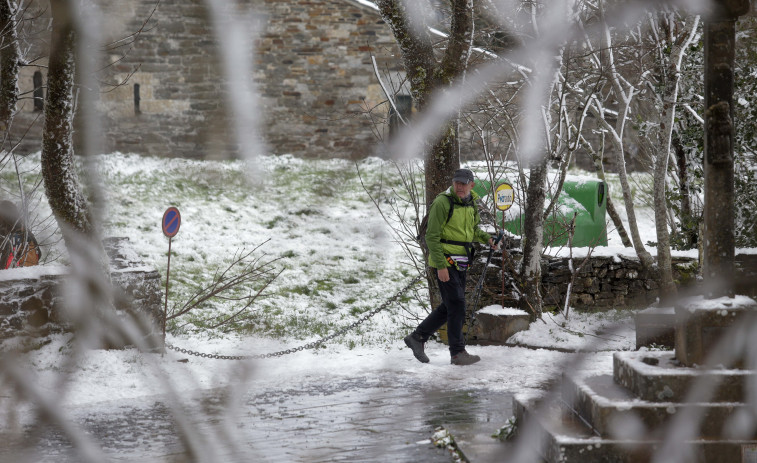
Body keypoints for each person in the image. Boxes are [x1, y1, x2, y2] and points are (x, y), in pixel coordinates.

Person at [404, 168, 496, 366]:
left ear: (472, 185)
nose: (459, 187)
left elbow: (473, 230)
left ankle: (417, 337)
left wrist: (487, 238)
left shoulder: (471, 204)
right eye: (457, 183)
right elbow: (431, 236)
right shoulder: (442, 203)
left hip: (462, 261)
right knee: (457, 305)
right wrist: (441, 266)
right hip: (445, 261)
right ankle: (457, 352)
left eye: (463, 183)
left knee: (450, 306)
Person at [0, 200, 41, 269]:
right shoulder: (25, 231)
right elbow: (38, 253)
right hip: (29, 273)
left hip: (6, 275)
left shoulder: (3, 233)